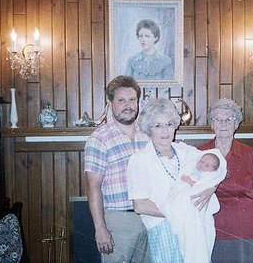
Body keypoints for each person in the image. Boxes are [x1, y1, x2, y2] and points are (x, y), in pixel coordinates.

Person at [127, 98, 218, 263]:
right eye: (158, 126)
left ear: (175, 125)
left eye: (169, 124)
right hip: (163, 227)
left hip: (194, 228)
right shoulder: (140, 159)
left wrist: (211, 188)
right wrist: (180, 213)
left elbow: (219, 166)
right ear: (149, 129)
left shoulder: (185, 151)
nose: (165, 131)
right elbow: (140, 205)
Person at [84, 75, 151, 263]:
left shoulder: (149, 134)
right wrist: (100, 228)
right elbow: (93, 186)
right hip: (118, 221)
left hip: (150, 218)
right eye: (121, 100)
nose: (128, 105)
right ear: (110, 103)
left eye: (132, 100)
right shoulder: (99, 139)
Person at [199, 98, 253, 263]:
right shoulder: (200, 153)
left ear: (236, 124)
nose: (223, 124)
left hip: (244, 229)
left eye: (229, 119)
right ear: (212, 124)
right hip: (210, 229)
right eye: (218, 119)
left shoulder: (248, 153)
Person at [161, 149, 227, 263]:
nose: (202, 165)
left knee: (197, 237)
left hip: (197, 204)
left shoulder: (209, 175)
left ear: (213, 170)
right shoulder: (192, 169)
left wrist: (191, 182)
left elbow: (203, 185)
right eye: (201, 161)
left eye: (207, 165)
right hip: (183, 197)